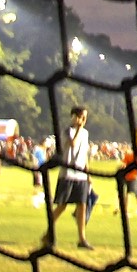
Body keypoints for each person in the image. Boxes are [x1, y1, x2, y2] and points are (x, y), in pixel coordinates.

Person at [44, 107, 94, 251]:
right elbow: (72, 144)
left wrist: (88, 173)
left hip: (81, 175)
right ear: (74, 117)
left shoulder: (85, 133)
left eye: (85, 118)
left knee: (82, 205)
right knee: (62, 206)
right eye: (81, 117)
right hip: (67, 174)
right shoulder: (67, 132)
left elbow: (84, 154)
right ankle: (48, 233)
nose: (83, 120)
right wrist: (78, 129)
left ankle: (82, 238)